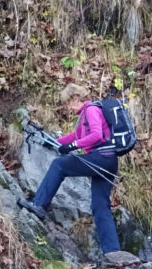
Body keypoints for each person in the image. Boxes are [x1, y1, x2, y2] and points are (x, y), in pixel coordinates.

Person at [17, 84, 122, 256]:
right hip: (108, 160)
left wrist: (72, 146)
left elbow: (96, 135)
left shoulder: (90, 110)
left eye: (68, 102)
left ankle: (39, 204)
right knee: (100, 206)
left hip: (101, 157)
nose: (68, 107)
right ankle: (114, 253)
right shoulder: (85, 115)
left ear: (76, 98)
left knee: (60, 165)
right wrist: (54, 142)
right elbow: (76, 136)